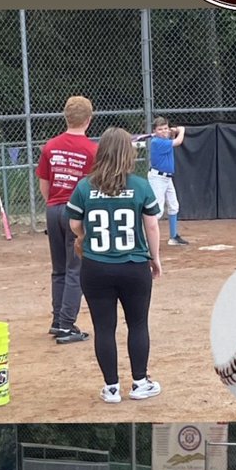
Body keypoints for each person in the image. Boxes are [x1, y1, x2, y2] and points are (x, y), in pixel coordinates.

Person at [67, 127, 162, 404]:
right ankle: (140, 382)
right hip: (133, 265)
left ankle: (111, 388)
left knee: (104, 327)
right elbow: (152, 225)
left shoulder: (85, 186)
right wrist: (154, 259)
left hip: (95, 267)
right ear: (128, 153)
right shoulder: (140, 185)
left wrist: (86, 238)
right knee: (138, 323)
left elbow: (74, 223)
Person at [35, 95, 97, 344]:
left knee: (59, 268)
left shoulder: (51, 146)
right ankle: (66, 324)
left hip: (53, 208)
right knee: (76, 268)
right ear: (88, 120)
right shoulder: (92, 149)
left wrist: (54, 203)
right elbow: (93, 186)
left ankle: (57, 318)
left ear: (66, 117)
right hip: (76, 210)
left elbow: (44, 184)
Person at [148, 117, 188, 247]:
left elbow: (171, 135)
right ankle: (147, 240)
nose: (163, 131)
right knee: (158, 211)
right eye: (160, 129)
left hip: (167, 178)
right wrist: (181, 131)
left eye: (165, 128)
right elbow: (178, 141)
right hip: (157, 179)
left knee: (174, 205)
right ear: (154, 130)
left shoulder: (164, 138)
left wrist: (173, 130)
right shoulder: (157, 142)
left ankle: (173, 237)